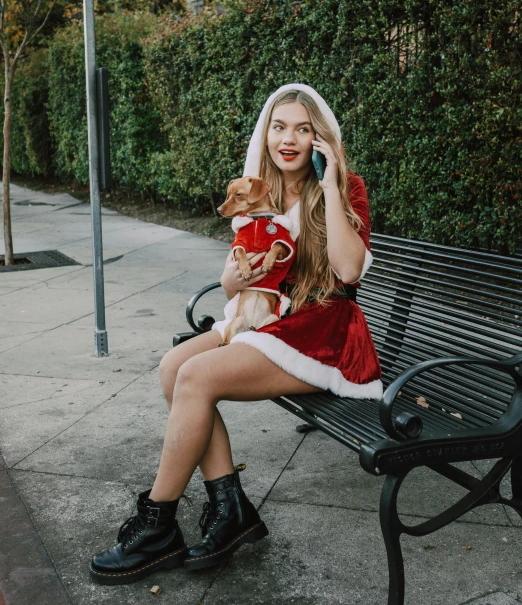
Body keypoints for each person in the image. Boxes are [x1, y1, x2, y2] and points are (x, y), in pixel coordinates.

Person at [89, 83, 383, 586]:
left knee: (197, 377)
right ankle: (230, 512)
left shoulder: (344, 185)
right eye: (279, 126)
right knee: (172, 367)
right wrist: (238, 277)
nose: (288, 139)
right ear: (266, 131)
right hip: (269, 315)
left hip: (323, 332)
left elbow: (350, 270)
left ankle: (158, 524)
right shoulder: (257, 188)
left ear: (320, 139)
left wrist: (330, 185)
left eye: (302, 129)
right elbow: (230, 278)